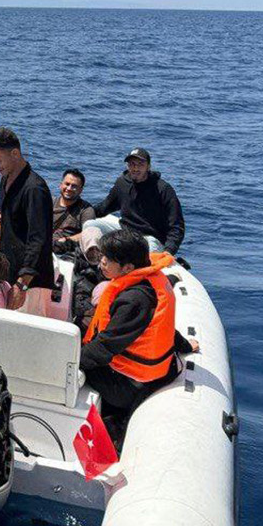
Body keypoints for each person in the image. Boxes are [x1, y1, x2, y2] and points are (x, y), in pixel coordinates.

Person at [79, 228, 195, 443]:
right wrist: (186, 345)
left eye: (107, 259)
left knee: (75, 360)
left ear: (128, 268)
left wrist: (68, 360)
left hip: (129, 385)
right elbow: (162, 326)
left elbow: (105, 348)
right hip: (152, 372)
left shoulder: (134, 301)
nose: (101, 262)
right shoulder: (153, 280)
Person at [0, 127, 54, 295]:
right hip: (9, 271)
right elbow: (5, 220)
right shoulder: (5, 180)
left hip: (30, 282)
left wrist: (21, 284)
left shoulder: (35, 189)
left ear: (15, 153)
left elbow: (39, 239)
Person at [88, 148, 185, 255]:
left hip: (150, 238)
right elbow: (105, 207)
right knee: (90, 224)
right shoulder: (122, 183)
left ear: (148, 166)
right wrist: (80, 212)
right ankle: (95, 260)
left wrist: (169, 251)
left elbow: (176, 226)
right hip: (125, 232)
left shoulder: (163, 189)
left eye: (140, 164)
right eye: (132, 164)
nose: (135, 168)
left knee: (148, 255)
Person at [52, 168, 95, 255]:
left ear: (81, 190)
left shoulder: (86, 210)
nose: (69, 188)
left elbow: (88, 233)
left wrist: (66, 240)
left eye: (74, 186)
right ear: (61, 185)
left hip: (65, 250)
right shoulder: (49, 202)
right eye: (67, 184)